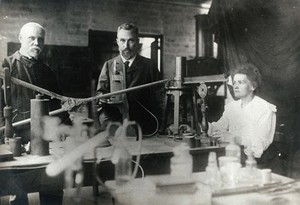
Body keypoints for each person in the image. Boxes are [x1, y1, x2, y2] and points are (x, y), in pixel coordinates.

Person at [0, 22, 64, 205]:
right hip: (16, 137)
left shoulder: (47, 71)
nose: (37, 43)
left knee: (52, 182)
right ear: (21, 39)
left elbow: (57, 105)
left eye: (40, 39)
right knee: (17, 188)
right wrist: (4, 135)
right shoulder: (7, 67)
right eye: (32, 38)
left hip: (44, 139)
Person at [96, 23, 164, 136]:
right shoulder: (108, 66)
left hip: (144, 129)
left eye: (130, 40)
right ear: (117, 41)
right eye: (122, 40)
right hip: (114, 128)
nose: (126, 45)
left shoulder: (149, 66)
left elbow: (160, 98)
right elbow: (100, 96)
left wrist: (166, 123)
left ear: (137, 41)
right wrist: (106, 122)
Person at [209, 63, 277, 159]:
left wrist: (233, 138)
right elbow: (218, 128)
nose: (236, 86)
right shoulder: (232, 107)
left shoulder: (264, 108)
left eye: (241, 82)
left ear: (253, 86)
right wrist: (199, 127)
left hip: (257, 161)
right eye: (234, 83)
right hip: (234, 156)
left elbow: (260, 144)